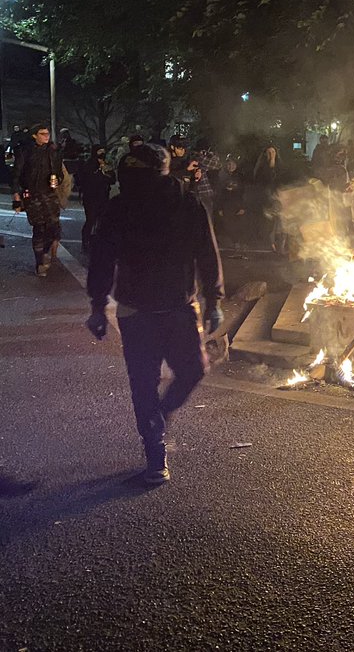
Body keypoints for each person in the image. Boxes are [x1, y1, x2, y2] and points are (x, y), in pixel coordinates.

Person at [86, 143, 224, 484]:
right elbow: (102, 258)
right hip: (137, 310)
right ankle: (155, 456)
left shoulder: (186, 204)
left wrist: (214, 300)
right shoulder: (120, 208)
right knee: (145, 385)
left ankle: (158, 419)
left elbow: (207, 254)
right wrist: (97, 304)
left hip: (179, 306)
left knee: (191, 371)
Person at [11, 123, 66, 276]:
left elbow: (58, 171)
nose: (46, 136)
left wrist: (58, 180)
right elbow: (16, 174)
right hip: (33, 194)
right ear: (35, 135)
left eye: (47, 133)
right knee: (39, 228)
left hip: (49, 193)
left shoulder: (53, 150)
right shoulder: (26, 151)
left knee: (54, 228)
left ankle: (46, 252)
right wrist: (16, 195)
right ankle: (40, 262)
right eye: (43, 134)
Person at [77, 145, 117, 253]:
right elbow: (88, 179)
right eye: (99, 151)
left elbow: (112, 178)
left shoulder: (106, 165)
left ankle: (98, 241)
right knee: (91, 219)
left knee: (102, 220)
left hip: (103, 195)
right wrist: (102, 176)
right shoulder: (89, 164)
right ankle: (86, 242)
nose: (101, 153)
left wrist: (105, 174)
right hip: (91, 196)